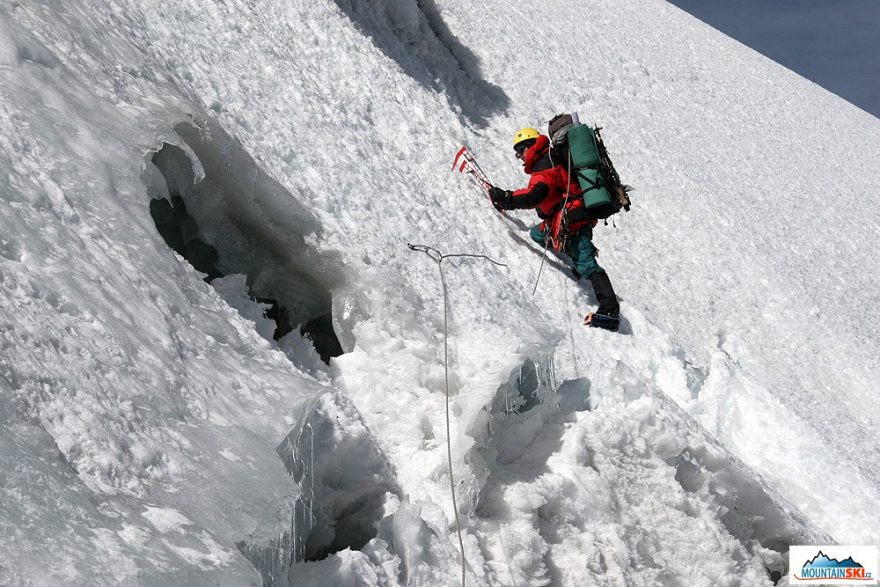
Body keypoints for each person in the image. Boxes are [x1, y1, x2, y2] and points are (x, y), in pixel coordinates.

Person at [488, 127, 621, 331]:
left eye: (519, 151)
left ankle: (610, 311)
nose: (519, 156)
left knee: (588, 265)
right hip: (560, 221)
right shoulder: (548, 160)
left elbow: (534, 196)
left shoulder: (545, 168)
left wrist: (507, 198)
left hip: (574, 220)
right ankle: (574, 261)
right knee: (537, 234)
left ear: (530, 146)